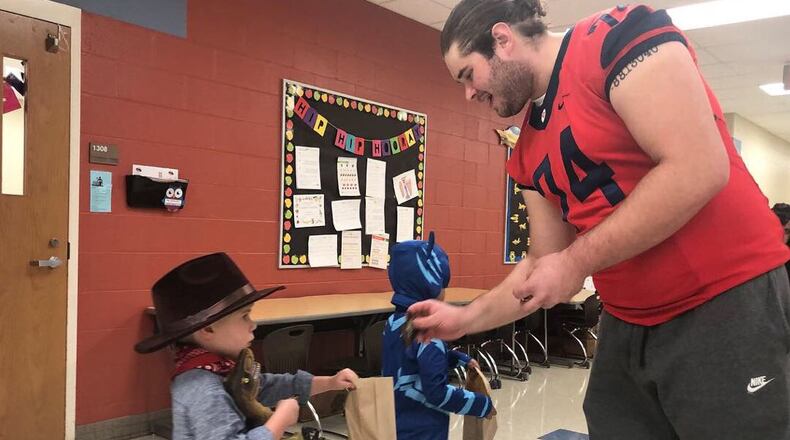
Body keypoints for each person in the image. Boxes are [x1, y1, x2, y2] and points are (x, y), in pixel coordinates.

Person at [409, 1, 790, 438]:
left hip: (722, 299)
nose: (469, 93)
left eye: (467, 74)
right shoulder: (528, 150)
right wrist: (462, 321)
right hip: (629, 319)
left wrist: (574, 262)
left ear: (502, 40)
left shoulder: (616, 40)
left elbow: (698, 167)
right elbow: (541, 266)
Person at [134, 252, 358, 440]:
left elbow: (263, 386)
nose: (254, 325)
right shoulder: (201, 387)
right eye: (244, 316)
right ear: (208, 329)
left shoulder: (219, 367)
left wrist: (329, 382)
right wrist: (279, 422)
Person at [381, 232, 493, 440]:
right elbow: (437, 394)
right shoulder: (429, 335)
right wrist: (481, 404)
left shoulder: (394, 323)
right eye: (443, 284)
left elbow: (411, 361)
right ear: (430, 284)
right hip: (424, 431)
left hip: (393, 424)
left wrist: (458, 359)